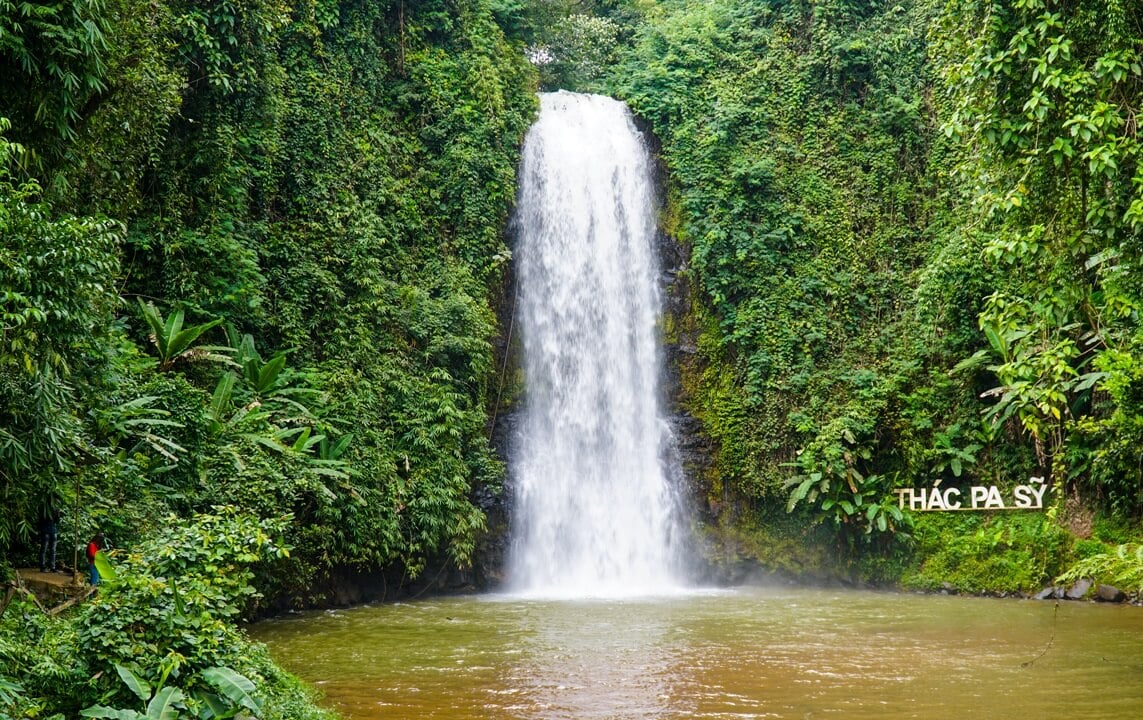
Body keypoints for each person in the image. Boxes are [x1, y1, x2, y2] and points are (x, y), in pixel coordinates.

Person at [38, 495, 61, 573]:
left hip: (53, 530)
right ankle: (42, 566)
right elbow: (41, 519)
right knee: (44, 549)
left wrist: (57, 514)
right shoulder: (44, 507)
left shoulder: (55, 509)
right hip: (45, 530)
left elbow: (56, 521)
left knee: (53, 550)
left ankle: (52, 567)